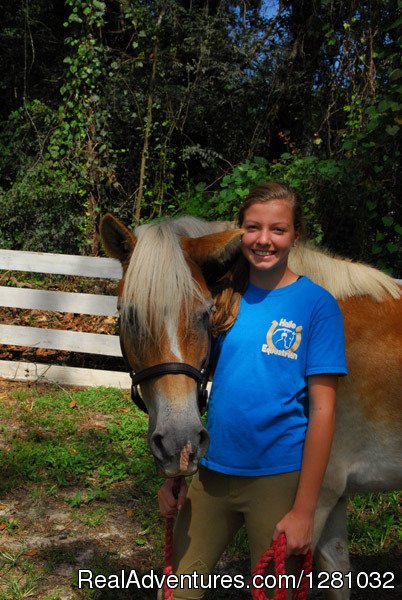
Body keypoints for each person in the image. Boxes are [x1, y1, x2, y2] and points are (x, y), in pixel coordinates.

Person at [158, 181, 347, 599]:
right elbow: (182, 388)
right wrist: (175, 470)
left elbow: (323, 412)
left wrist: (304, 510)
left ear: (296, 234)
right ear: (239, 230)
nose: (264, 240)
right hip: (211, 476)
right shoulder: (222, 298)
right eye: (253, 227)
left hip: (277, 482)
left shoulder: (317, 306)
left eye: (278, 229)